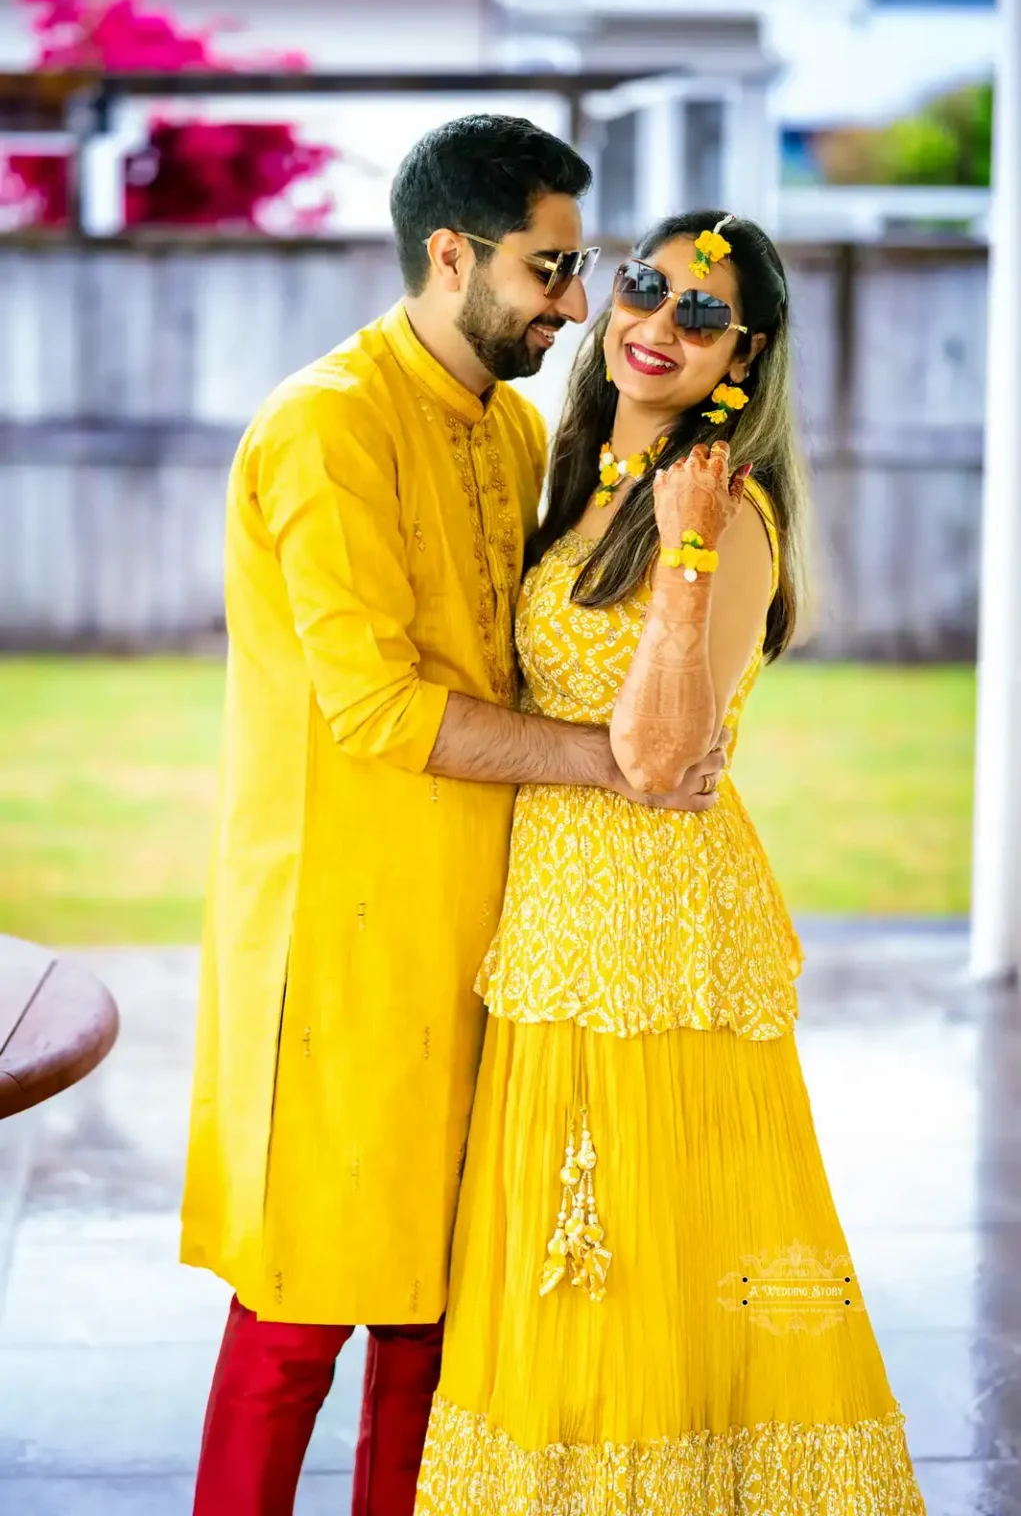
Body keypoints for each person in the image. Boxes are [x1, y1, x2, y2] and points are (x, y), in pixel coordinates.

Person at [181, 118, 727, 1516]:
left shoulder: (506, 425)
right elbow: (373, 707)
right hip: (345, 943)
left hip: (486, 936)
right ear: (451, 254)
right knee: (299, 1318)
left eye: (578, 267)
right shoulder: (327, 427)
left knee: (438, 1328)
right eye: (551, 271)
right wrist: (611, 764)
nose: (571, 304)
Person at [414, 212, 928, 1513]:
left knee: (650, 1250)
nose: (658, 325)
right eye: (645, 288)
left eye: (702, 317)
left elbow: (653, 754)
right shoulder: (573, 472)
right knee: (566, 1255)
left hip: (663, 942)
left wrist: (691, 542)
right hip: (551, 928)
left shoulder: (728, 507)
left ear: (741, 357)